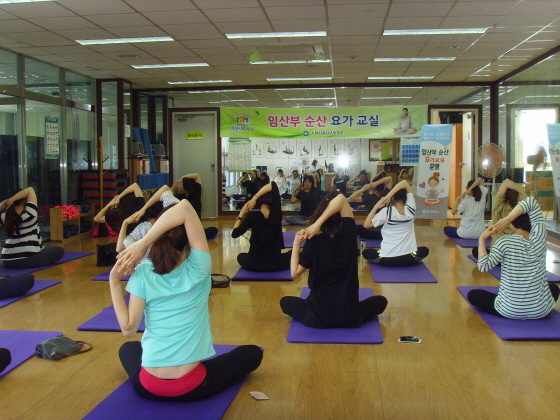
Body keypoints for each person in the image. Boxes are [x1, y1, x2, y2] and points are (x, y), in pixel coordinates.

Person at [111, 199, 263, 401]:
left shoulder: (143, 273)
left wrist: (114, 280)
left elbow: (128, 330)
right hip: (191, 386)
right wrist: (144, 243)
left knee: (128, 348)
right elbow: (184, 207)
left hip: (148, 386)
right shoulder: (199, 268)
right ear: (189, 240)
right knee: (252, 353)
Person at [280, 192, 388, 328]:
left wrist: (297, 243)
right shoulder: (350, 237)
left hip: (318, 317)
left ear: (320, 214)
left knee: (286, 302)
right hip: (349, 316)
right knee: (380, 301)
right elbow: (341, 199)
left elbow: (294, 273)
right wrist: (318, 224)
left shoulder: (313, 243)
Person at [467, 196, 560, 319]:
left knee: (473, 295)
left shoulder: (504, 241)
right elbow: (531, 201)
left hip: (509, 309)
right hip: (540, 311)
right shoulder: (540, 238)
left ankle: (516, 307)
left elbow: (483, 266)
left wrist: (482, 238)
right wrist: (508, 218)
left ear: (512, 224)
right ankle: (534, 306)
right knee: (554, 288)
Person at [362, 180, 429, 266]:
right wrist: (389, 196)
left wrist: (376, 207)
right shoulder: (411, 208)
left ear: (392, 197)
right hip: (409, 258)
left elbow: (366, 225)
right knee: (424, 250)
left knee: (366, 252)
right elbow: (404, 182)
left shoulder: (386, 211)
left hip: (387, 259)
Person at [231, 182, 292, 272]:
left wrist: (241, 214)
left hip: (254, 264)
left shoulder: (252, 217)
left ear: (259, 201)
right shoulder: (276, 214)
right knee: (292, 254)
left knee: (241, 256)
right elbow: (273, 185)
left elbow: (234, 234)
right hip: (275, 264)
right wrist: (254, 197)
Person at [0, 187, 64, 268]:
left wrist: (2, 206)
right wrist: (12, 199)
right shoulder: (30, 214)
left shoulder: (6, 216)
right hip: (27, 258)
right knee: (58, 250)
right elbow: (30, 190)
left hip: (6, 260)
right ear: (25, 200)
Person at [116, 185, 179, 262]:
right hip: (174, 265)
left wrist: (125, 223)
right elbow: (165, 189)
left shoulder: (144, 228)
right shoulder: (174, 220)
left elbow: (120, 248)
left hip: (149, 268)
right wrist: (143, 209)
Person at [472, 178, 527, 259]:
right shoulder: (522, 211)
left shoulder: (498, 207)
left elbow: (506, 182)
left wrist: (522, 191)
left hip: (497, 255)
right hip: (516, 255)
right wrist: (523, 193)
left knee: (476, 250)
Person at [172, 173, 218, 240]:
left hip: (184, 231)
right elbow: (197, 175)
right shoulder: (196, 192)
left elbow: (167, 194)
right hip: (195, 231)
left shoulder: (180, 197)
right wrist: (182, 178)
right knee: (214, 230)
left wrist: (174, 186)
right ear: (193, 185)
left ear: (184, 187)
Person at [349, 171, 393, 240]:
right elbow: (390, 179)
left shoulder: (368, 197)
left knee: (356, 227)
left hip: (370, 233)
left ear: (373, 187)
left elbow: (351, 197)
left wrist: (364, 188)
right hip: (384, 233)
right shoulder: (386, 195)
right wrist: (377, 183)